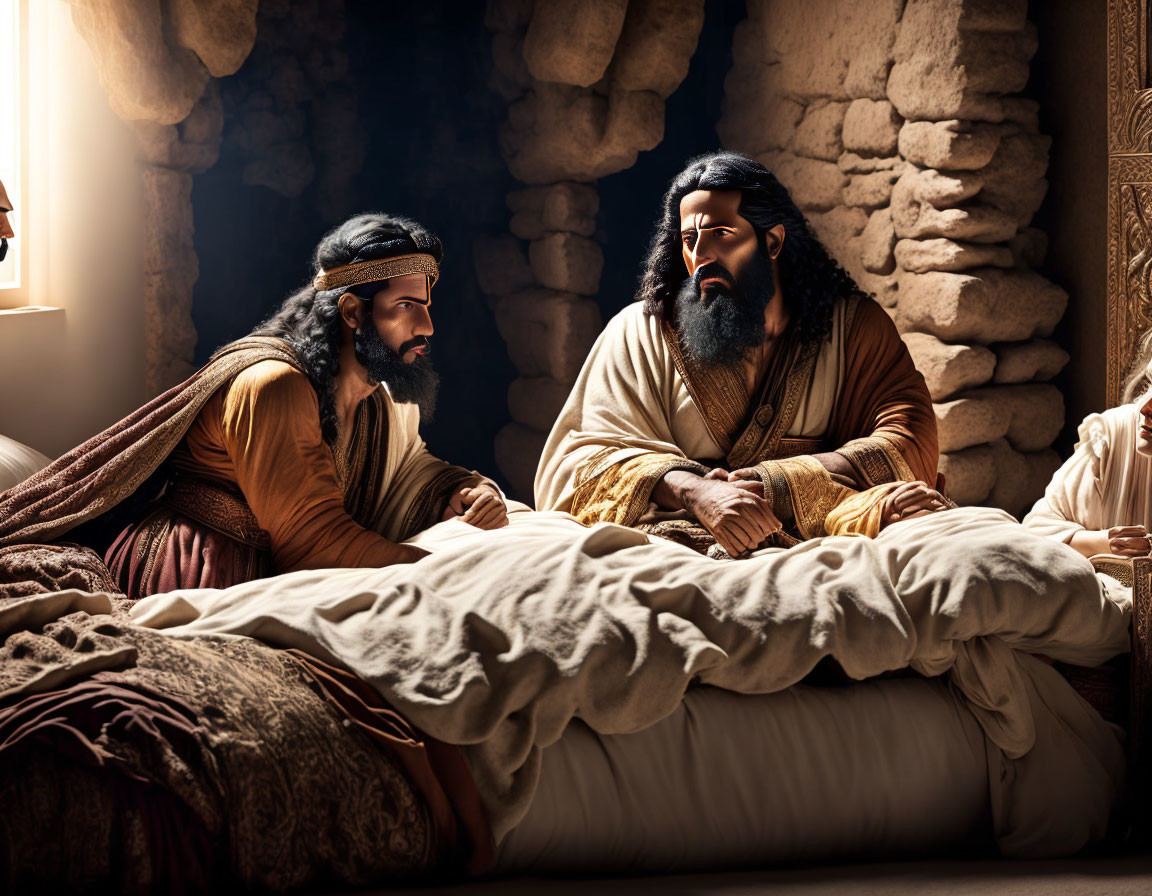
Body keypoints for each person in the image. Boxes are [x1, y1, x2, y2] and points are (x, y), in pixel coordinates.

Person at [0, 213, 507, 597]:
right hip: (198, 572)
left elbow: (406, 469)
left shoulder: (376, 397)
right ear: (353, 311)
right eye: (406, 307)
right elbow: (312, 541)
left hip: (276, 567)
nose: (427, 327)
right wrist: (442, 573)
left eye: (426, 307)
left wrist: (460, 491)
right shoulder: (274, 386)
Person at [535, 152, 944, 557]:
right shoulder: (640, 332)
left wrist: (776, 486)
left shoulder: (854, 329)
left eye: (721, 234)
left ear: (772, 241)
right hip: (667, 546)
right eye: (689, 240)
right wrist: (696, 491)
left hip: (808, 540)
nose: (701, 257)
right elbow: (574, 464)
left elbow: (907, 443)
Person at [1023, 332, 1152, 558]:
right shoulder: (1112, 434)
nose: (1145, 408)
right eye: (1150, 384)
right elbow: (1035, 531)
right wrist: (1105, 543)